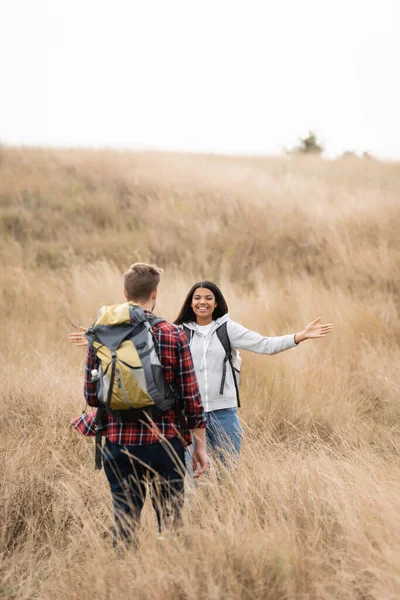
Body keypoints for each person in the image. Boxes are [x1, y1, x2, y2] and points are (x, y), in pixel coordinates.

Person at [70, 263, 208, 544]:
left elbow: (91, 395)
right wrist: (199, 446)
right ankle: (168, 574)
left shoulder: (100, 334)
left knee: (125, 520)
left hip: (118, 442)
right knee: (170, 522)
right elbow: (191, 397)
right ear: (154, 294)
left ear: (124, 292)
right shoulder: (172, 333)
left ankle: (124, 575)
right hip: (164, 442)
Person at [174, 281, 333, 464]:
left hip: (224, 413)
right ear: (190, 303)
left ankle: (227, 495)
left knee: (227, 473)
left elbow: (265, 345)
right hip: (191, 414)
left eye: (209, 298)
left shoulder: (228, 328)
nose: (203, 302)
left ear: (216, 303)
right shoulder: (179, 332)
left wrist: (299, 336)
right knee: (192, 475)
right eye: (198, 298)